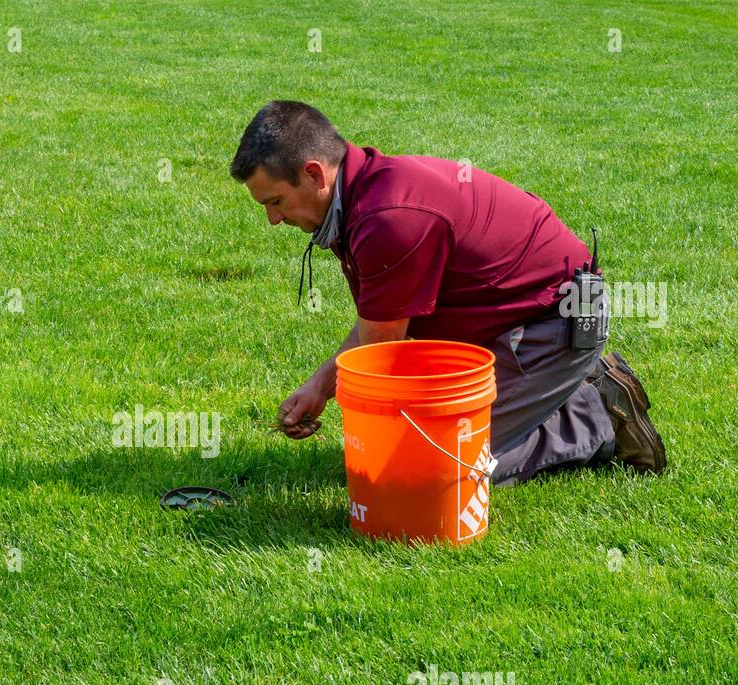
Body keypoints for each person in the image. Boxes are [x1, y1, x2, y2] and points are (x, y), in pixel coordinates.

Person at [230, 100, 666, 485]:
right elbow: (379, 322)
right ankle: (554, 390)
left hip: (554, 324)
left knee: (428, 469)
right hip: (510, 324)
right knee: (410, 451)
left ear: (313, 174)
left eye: (275, 202)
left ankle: (594, 414)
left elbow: (381, 360)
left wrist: (382, 446)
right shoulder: (362, 194)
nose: (272, 219)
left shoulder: (389, 219)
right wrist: (319, 387)